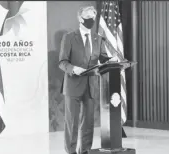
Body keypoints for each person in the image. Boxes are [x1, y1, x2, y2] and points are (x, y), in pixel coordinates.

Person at [58, 6, 118, 154]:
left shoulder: (98, 38)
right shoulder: (69, 37)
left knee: (88, 124)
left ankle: (85, 151)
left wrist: (112, 60)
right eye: (88, 17)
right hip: (73, 86)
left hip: (91, 86)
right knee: (71, 123)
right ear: (80, 18)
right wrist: (73, 69)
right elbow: (62, 62)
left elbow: (103, 58)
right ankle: (71, 152)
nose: (91, 20)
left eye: (93, 17)